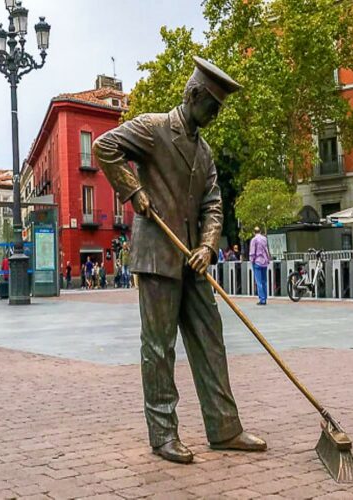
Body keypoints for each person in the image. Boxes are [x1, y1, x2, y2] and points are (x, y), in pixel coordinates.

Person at [94, 56, 267, 464]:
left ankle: (225, 428)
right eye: (213, 105)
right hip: (157, 256)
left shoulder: (204, 152)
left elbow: (213, 204)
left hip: (193, 261)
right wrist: (133, 191)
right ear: (193, 95)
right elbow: (105, 147)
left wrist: (208, 247)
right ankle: (163, 434)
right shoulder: (154, 129)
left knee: (211, 341)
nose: (216, 114)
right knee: (158, 348)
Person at [249, 227, 271, 306]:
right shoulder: (264, 239)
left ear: (253, 232)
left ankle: (262, 299)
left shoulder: (254, 240)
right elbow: (266, 250)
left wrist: (252, 260)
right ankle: (265, 297)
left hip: (257, 262)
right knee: (264, 281)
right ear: (260, 231)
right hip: (264, 262)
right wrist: (268, 259)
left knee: (258, 281)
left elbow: (252, 252)